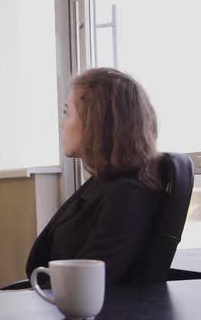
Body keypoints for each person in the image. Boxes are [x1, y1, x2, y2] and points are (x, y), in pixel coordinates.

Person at [26, 67, 162, 285]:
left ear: (95, 122)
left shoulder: (126, 196)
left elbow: (85, 285)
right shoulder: (104, 182)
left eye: (67, 113)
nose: (62, 124)